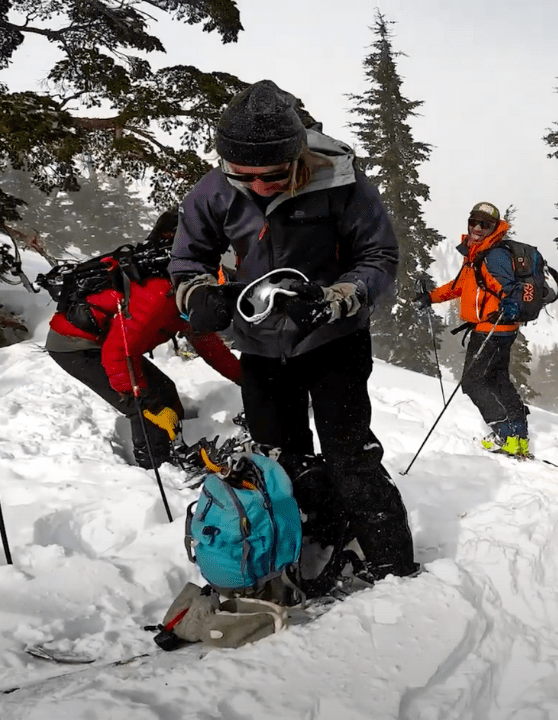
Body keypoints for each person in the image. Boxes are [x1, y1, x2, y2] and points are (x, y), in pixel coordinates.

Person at [169, 79, 418, 581]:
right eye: (245, 176)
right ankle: (314, 536)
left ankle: (394, 565)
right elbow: (187, 259)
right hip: (260, 344)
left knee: (349, 452)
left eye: (274, 175)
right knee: (278, 457)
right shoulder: (214, 191)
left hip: (333, 338)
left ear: (297, 155)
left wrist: (337, 299)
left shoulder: (341, 182)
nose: (260, 186)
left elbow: (379, 256)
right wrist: (198, 294)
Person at [45, 212, 242, 470]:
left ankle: (176, 450)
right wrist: (147, 405)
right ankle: (155, 468)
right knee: (148, 407)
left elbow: (206, 342)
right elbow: (116, 354)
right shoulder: (160, 293)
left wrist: (244, 378)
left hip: (112, 344)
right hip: (77, 346)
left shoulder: (187, 289)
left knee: (164, 390)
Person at [416, 202, 530, 457]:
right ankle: (518, 436)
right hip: (498, 328)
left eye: (484, 224)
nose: (477, 228)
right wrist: (431, 297)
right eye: (473, 222)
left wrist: (509, 304)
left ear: (494, 228)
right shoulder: (477, 253)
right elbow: (460, 286)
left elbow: (511, 289)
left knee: (473, 382)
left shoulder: (494, 255)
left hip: (492, 329)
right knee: (498, 380)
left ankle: (505, 433)